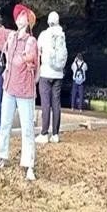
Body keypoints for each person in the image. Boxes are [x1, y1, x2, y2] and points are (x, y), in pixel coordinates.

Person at [0, 0, 39, 181]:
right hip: (9, 89)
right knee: (4, 125)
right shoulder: (10, 36)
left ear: (28, 21)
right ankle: (0, 157)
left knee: (27, 129)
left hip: (25, 92)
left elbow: (31, 59)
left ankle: (29, 165)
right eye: (18, 15)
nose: (19, 18)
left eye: (23, 15)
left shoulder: (31, 41)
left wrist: (24, 58)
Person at [36, 11, 67, 144]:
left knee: (45, 104)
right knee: (56, 104)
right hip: (58, 75)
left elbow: (38, 51)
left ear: (48, 22)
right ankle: (55, 134)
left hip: (45, 74)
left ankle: (44, 133)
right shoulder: (62, 35)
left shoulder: (43, 34)